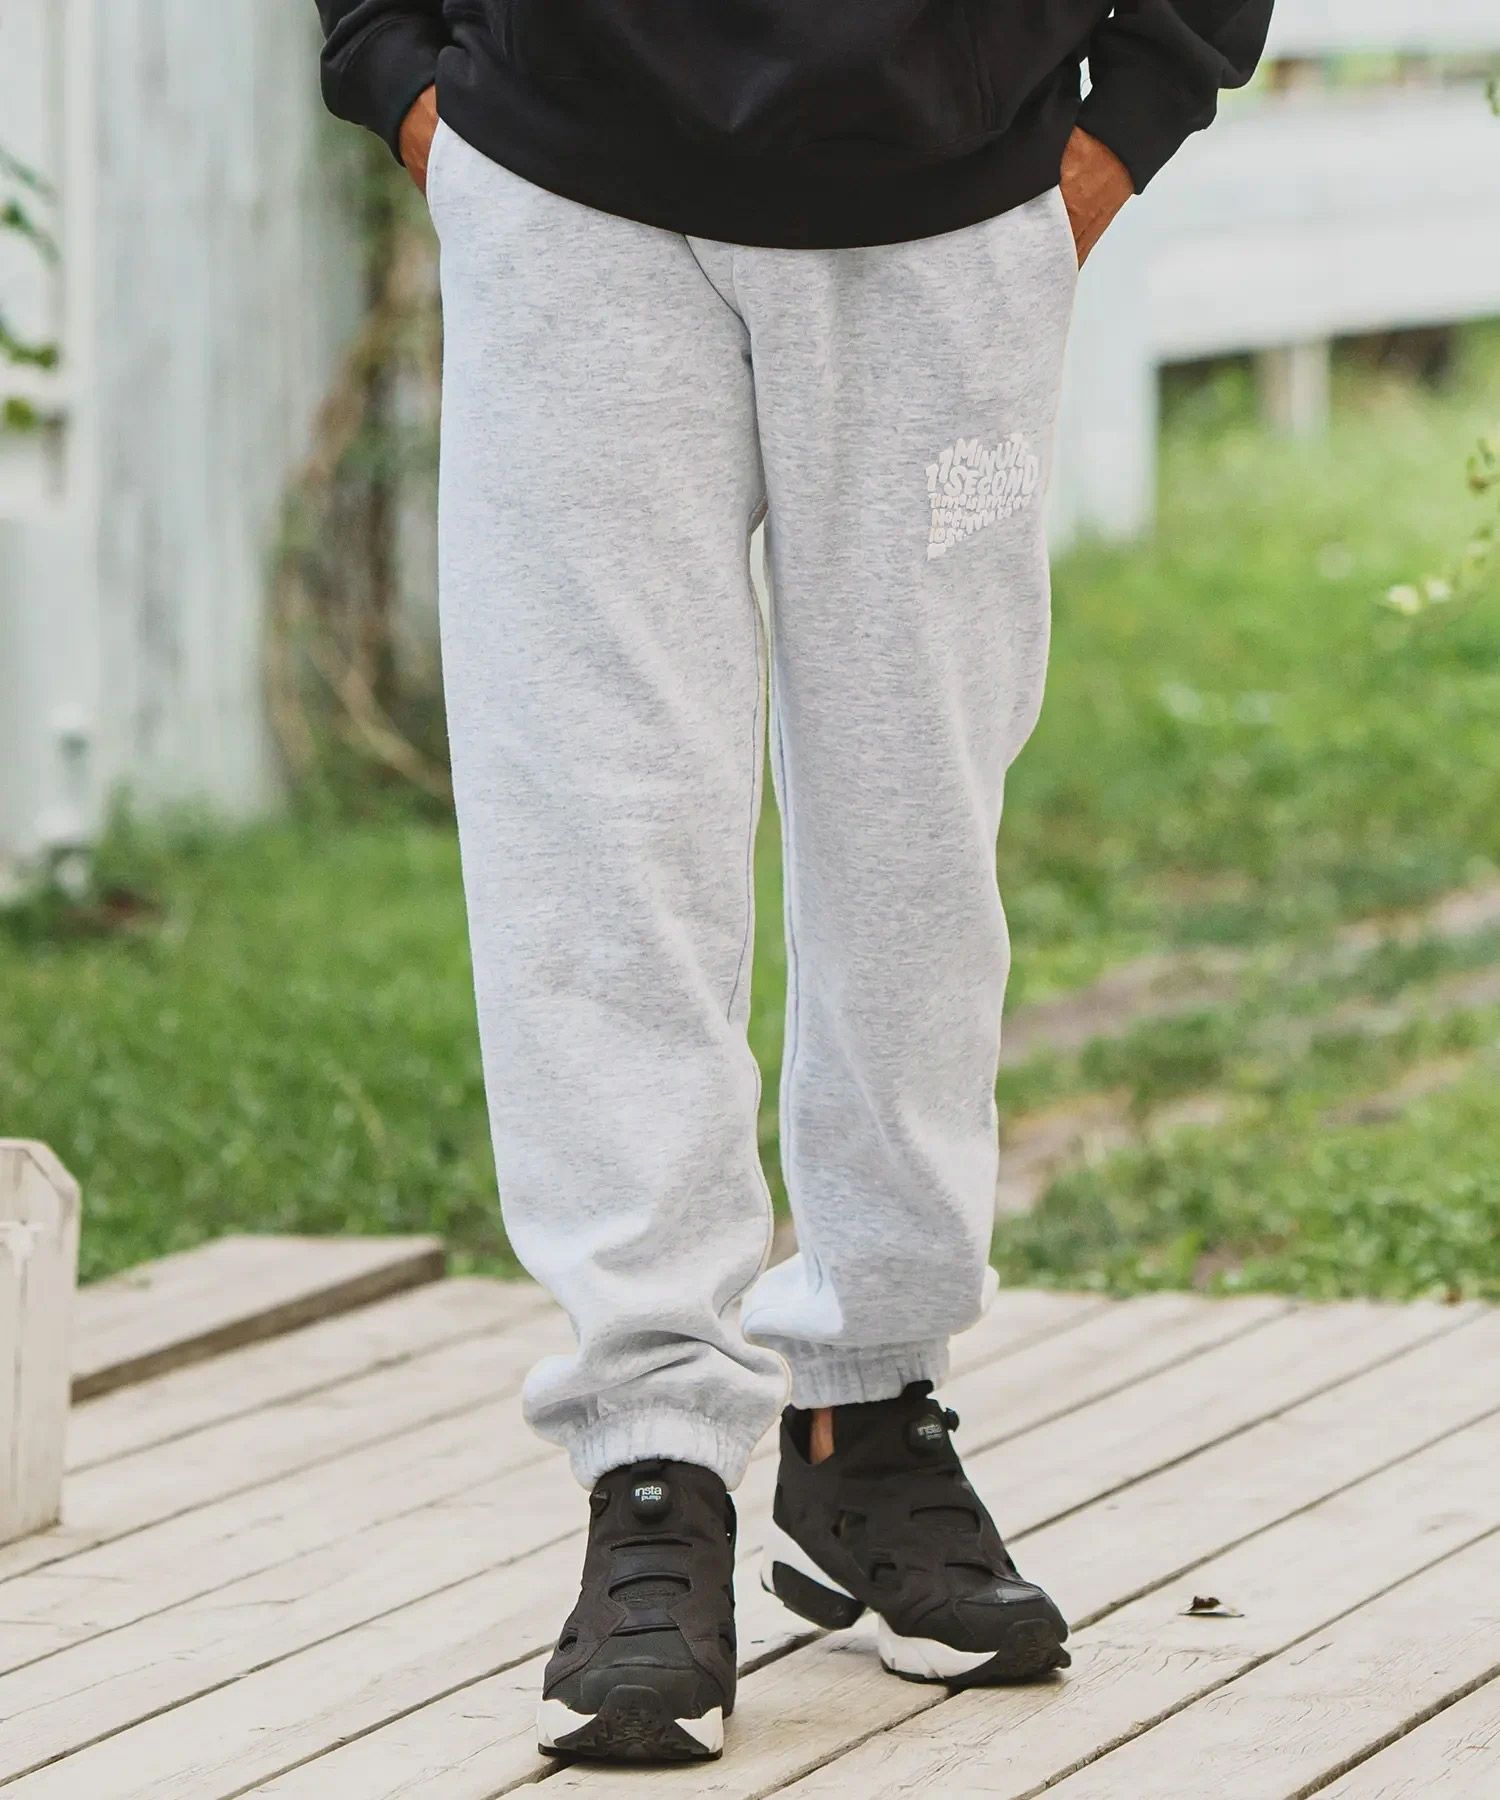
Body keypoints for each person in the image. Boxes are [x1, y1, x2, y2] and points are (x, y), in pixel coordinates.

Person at [315, 0, 1272, 1764]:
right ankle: (651, 1458)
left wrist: (1143, 100)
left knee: (916, 847)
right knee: (599, 843)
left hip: (953, 199)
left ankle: (867, 1418)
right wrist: (393, 65)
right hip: (569, 183)